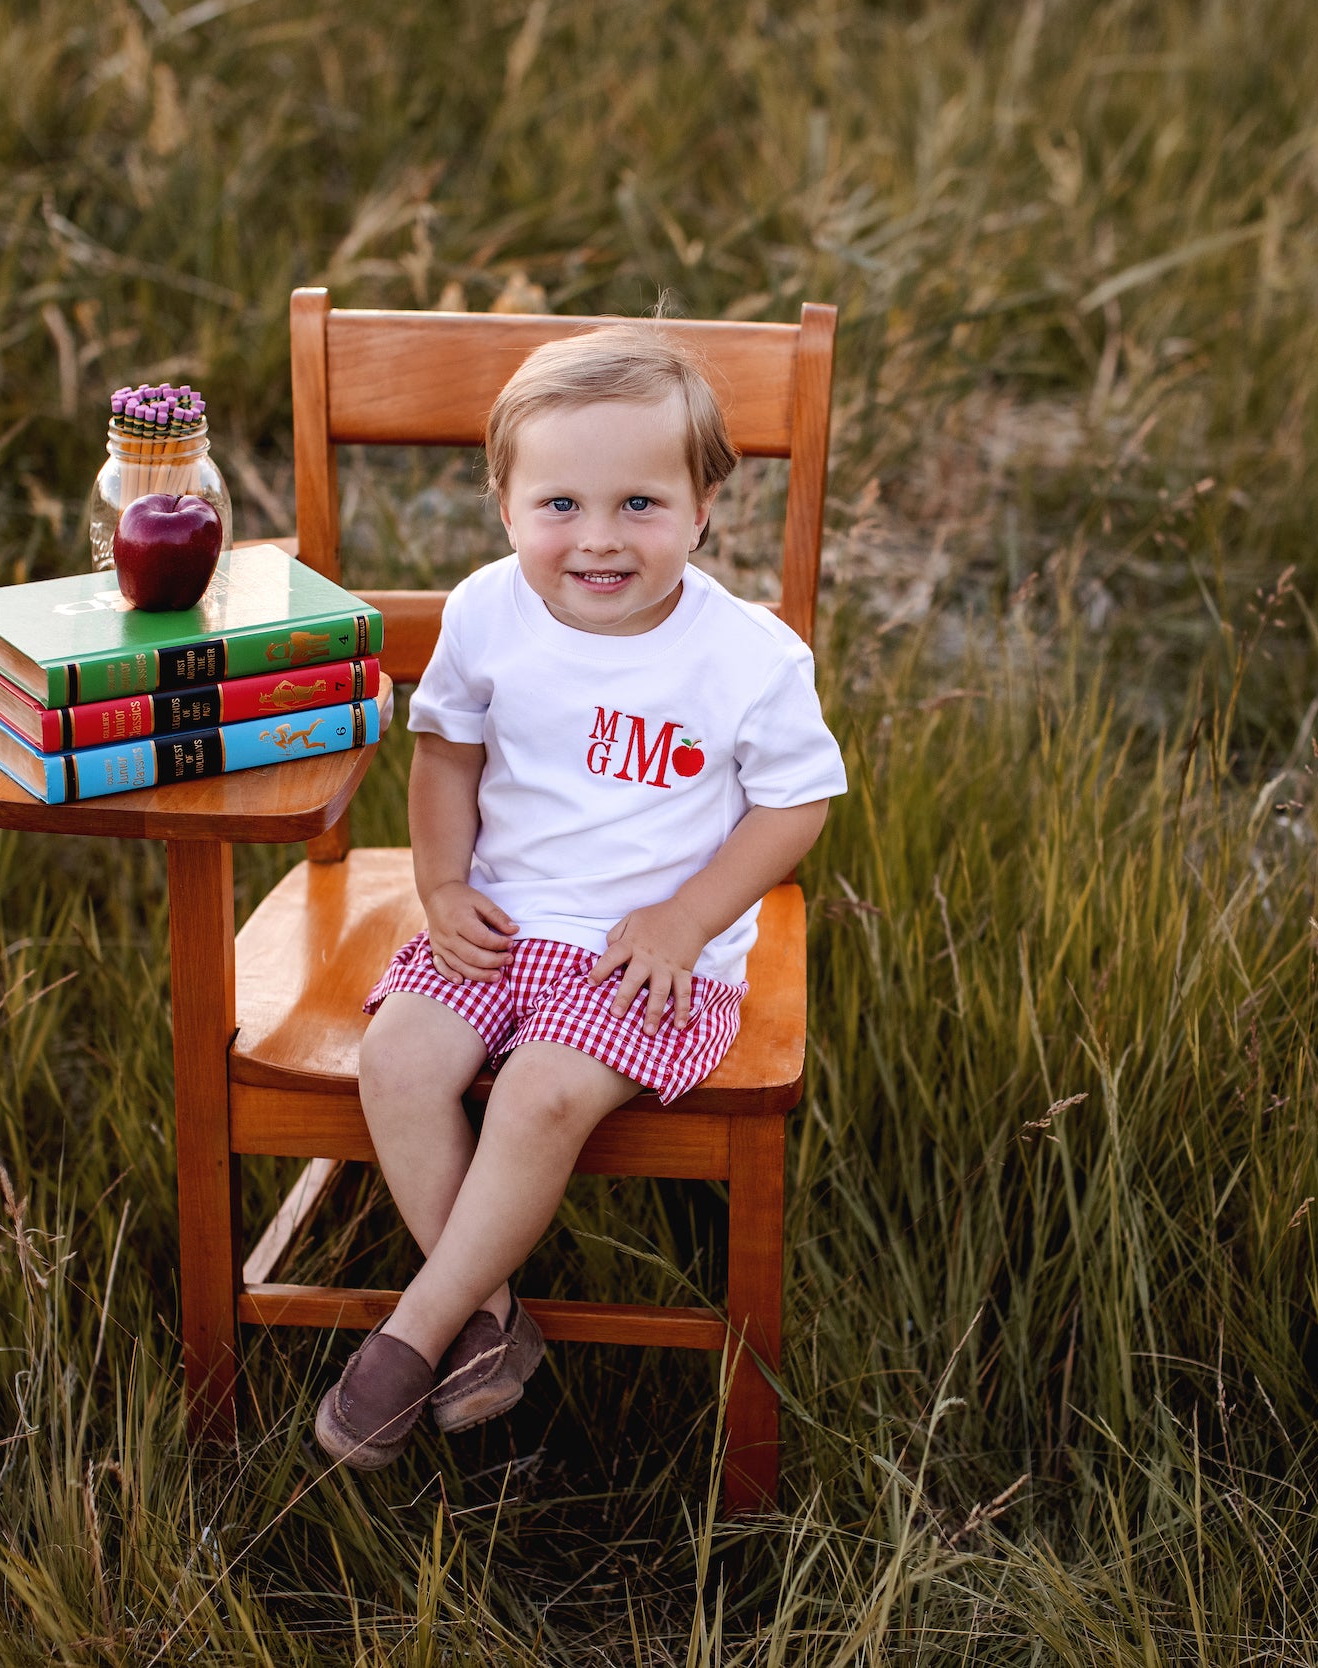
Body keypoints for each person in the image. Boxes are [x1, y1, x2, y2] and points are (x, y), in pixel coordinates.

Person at [311, 325, 847, 1469]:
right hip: (500, 917)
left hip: (646, 951)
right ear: (503, 505)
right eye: (559, 504)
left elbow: (796, 806)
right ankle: (492, 1321)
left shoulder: (749, 655)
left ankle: (418, 1326)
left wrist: (688, 917)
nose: (598, 540)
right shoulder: (485, 611)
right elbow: (446, 752)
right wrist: (441, 882)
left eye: (640, 505)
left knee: (542, 1094)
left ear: (704, 505)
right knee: (397, 1062)